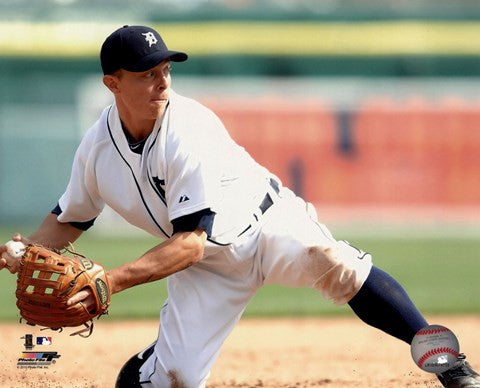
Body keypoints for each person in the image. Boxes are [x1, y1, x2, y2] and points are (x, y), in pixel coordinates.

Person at [0, 25, 479, 388]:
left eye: (166, 69)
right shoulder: (97, 148)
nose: (162, 82)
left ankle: (448, 364)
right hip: (208, 269)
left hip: (268, 226)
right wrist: (22, 252)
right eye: (148, 74)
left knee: (338, 265)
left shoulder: (189, 128)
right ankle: (157, 360)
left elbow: (189, 241)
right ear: (112, 83)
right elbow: (69, 219)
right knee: (171, 378)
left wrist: (111, 280)